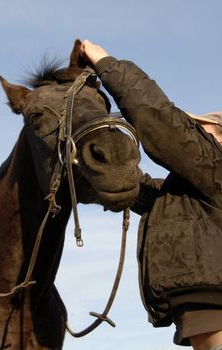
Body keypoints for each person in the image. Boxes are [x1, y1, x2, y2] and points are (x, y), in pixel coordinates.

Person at [80, 40, 222, 350]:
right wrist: (87, 161)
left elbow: (162, 123)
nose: (196, 132)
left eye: (204, 129)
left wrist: (107, 64)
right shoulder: (185, 196)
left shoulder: (216, 168)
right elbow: (138, 189)